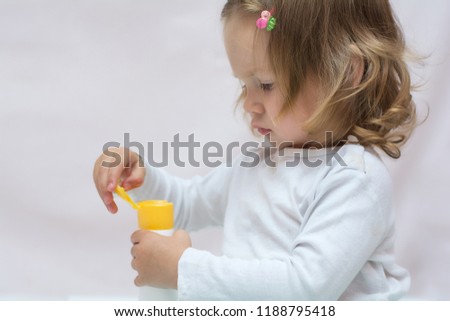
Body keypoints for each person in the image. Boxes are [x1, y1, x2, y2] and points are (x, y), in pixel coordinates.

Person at [93, 0, 417, 300]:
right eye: (243, 84)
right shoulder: (257, 162)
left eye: (265, 84)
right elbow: (188, 206)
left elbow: (304, 290)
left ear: (346, 73)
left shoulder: (354, 177)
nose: (249, 103)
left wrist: (184, 269)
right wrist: (141, 177)